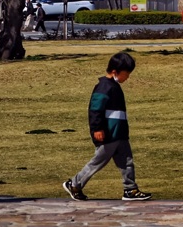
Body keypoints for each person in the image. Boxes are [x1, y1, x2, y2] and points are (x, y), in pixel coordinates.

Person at [63, 52, 151, 202]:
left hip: (120, 133)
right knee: (98, 161)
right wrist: (97, 128)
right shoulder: (104, 87)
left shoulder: (114, 86)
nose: (127, 77)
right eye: (126, 74)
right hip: (109, 134)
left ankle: (130, 189)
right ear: (115, 72)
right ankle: (75, 183)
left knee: (126, 161)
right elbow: (95, 109)